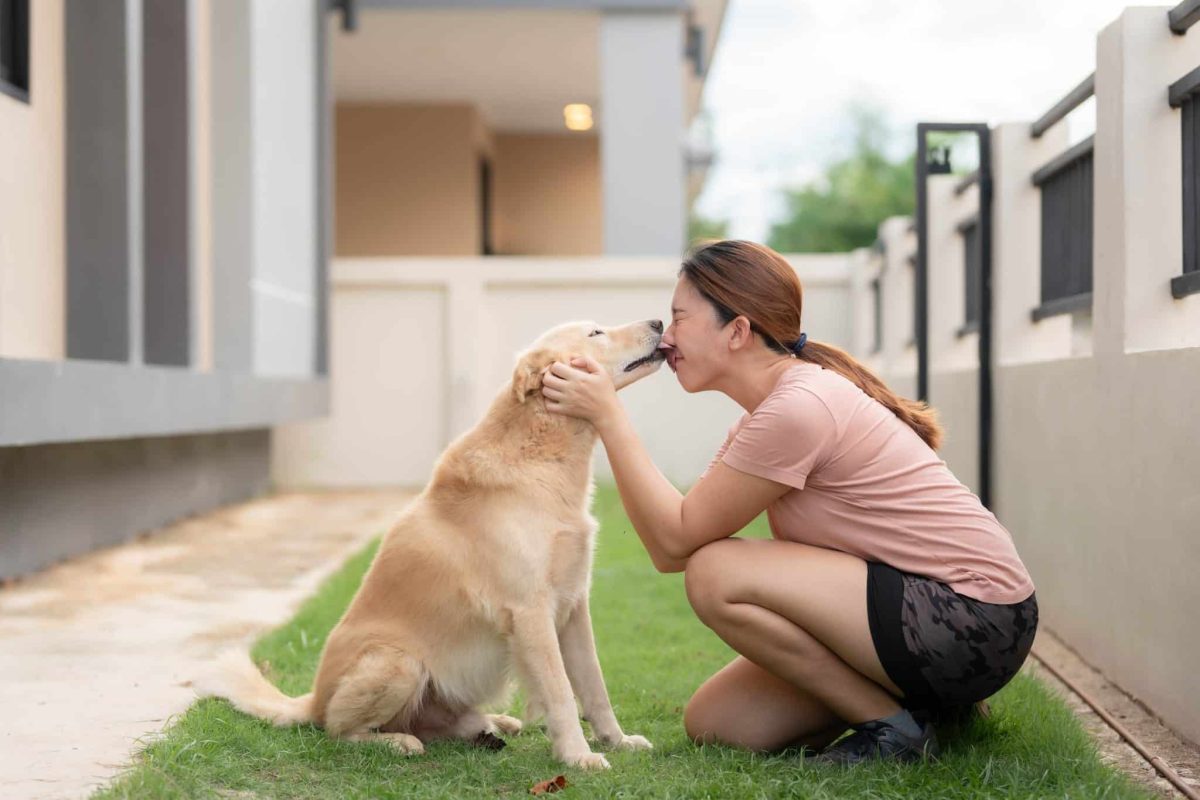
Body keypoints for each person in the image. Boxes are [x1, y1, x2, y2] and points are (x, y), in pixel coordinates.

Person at [539, 239, 1037, 764]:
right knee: (718, 723)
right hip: (929, 614)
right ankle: (925, 704)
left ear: (738, 331)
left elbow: (680, 543)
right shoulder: (765, 415)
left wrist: (609, 418)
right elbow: (670, 546)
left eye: (680, 317)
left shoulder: (797, 408)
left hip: (971, 617)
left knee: (715, 572)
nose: (669, 335)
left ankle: (893, 729)